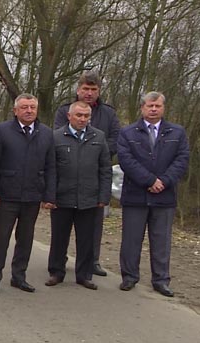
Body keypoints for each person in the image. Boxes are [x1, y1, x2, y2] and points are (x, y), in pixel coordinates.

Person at [117, 92, 190, 297]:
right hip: (135, 195)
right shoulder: (128, 133)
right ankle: (129, 277)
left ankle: (161, 280)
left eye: (158, 106)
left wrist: (164, 181)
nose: (154, 109)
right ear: (142, 107)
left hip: (164, 197)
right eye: (150, 105)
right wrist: (149, 180)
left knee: (161, 241)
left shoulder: (177, 132)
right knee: (131, 239)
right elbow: (126, 160)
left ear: (163, 107)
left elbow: (182, 159)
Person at [0, 93, 56, 295]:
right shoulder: (2, 130)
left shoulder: (46, 133)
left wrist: (49, 195)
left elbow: (51, 166)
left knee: (25, 239)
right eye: (24, 107)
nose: (29, 111)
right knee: (2, 238)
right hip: (7, 193)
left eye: (32, 107)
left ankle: (19, 276)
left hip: (33, 194)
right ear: (15, 110)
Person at [54, 71, 120, 277]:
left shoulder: (108, 113)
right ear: (78, 89)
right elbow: (56, 139)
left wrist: (93, 150)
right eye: (85, 89)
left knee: (91, 229)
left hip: (94, 177)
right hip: (66, 178)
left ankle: (92, 262)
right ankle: (58, 264)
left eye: (93, 90)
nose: (89, 93)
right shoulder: (63, 110)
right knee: (61, 231)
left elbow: (115, 139)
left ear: (98, 91)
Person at [45, 101, 112, 290]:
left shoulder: (99, 137)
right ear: (69, 116)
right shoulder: (56, 137)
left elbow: (105, 169)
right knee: (59, 238)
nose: (82, 119)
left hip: (89, 198)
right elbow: (50, 169)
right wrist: (50, 196)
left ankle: (84, 275)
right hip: (62, 197)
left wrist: (103, 197)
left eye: (86, 116)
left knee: (86, 240)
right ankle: (56, 272)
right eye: (79, 115)